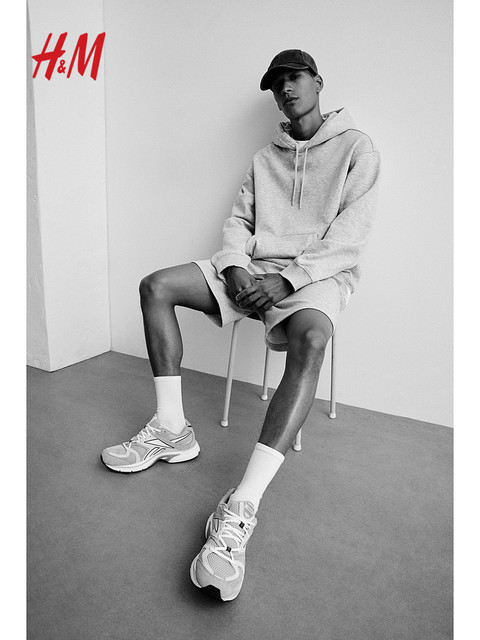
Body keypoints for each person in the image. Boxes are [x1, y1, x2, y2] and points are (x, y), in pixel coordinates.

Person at [101, 49, 380, 601]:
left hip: (315, 276)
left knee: (313, 339)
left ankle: (242, 504)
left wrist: (290, 279)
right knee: (156, 286)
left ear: (318, 81)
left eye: (294, 78)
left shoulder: (357, 148)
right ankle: (172, 429)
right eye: (277, 84)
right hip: (251, 269)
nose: (286, 89)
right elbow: (239, 221)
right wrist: (233, 268)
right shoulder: (264, 156)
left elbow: (351, 236)